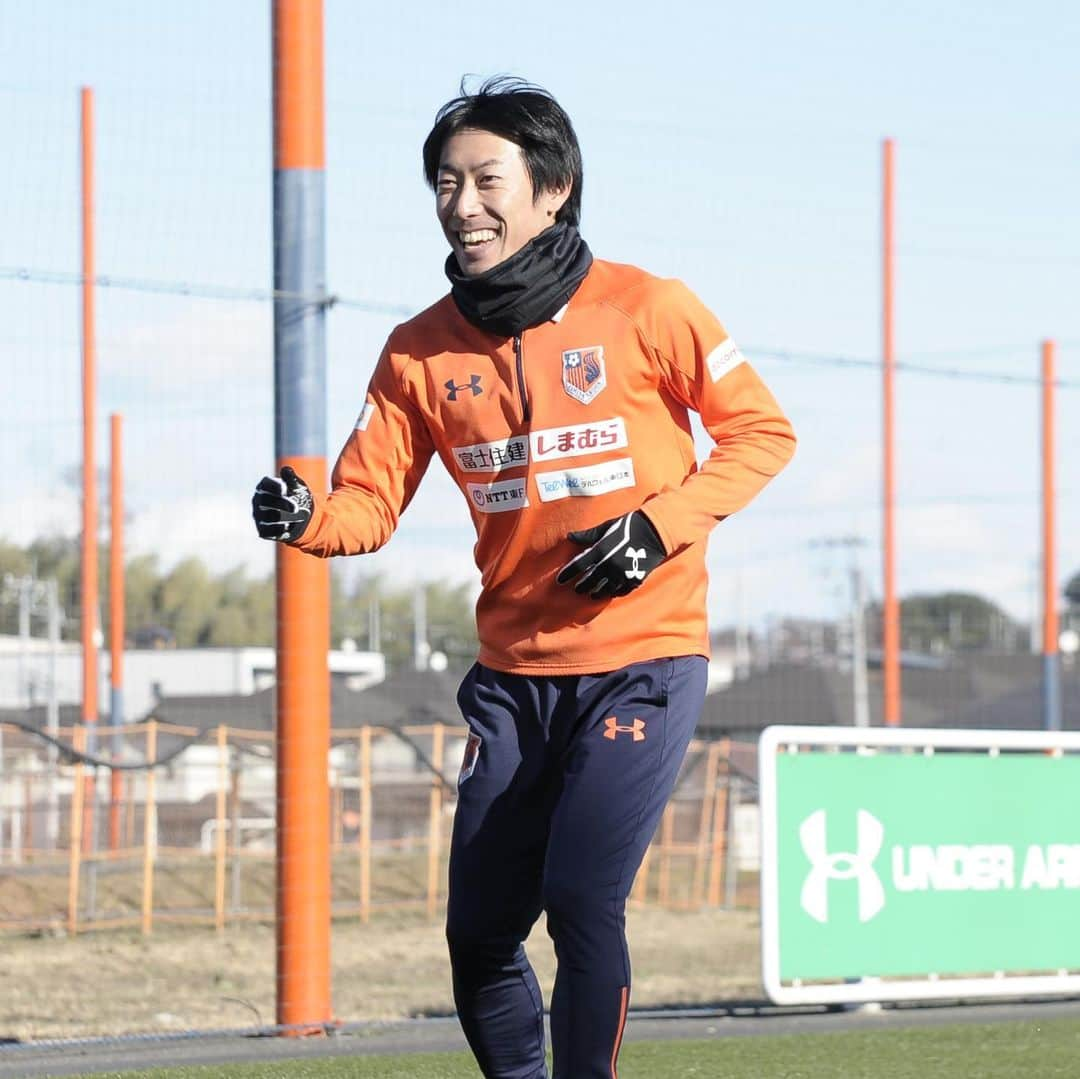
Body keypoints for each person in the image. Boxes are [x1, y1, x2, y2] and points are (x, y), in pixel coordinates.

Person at [253, 76, 795, 1079]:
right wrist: (306, 515)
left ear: (554, 188)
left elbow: (762, 432)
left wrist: (660, 526)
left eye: (486, 179)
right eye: (446, 184)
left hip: (644, 662)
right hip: (512, 682)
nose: (464, 204)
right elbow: (366, 505)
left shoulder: (651, 306)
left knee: (584, 900)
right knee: (480, 937)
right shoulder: (416, 352)